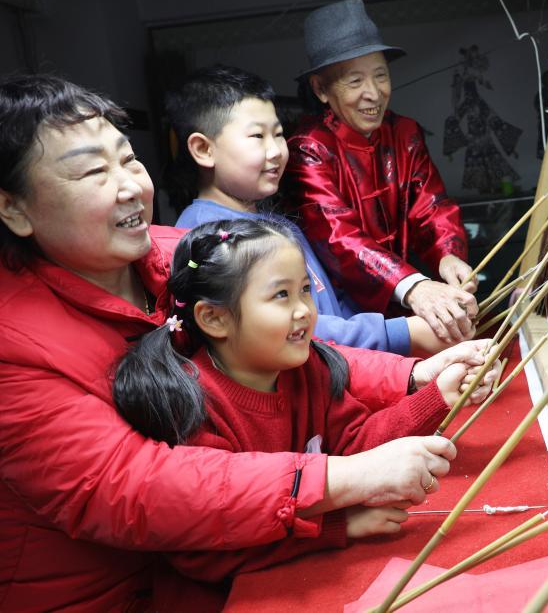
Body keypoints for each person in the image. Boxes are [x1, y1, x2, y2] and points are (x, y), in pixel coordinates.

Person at [0, 74, 458, 610]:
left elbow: (294, 344)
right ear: (14, 209)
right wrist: (341, 480)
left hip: (226, 558)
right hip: (107, 596)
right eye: (91, 172)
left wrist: (411, 376)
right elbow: (130, 486)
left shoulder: (177, 253)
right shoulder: (12, 344)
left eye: (127, 160)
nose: (128, 187)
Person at [113, 218, 482, 586]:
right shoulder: (192, 405)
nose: (305, 309)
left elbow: (354, 445)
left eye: (305, 290)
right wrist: (337, 526)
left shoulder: (308, 369)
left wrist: (437, 396)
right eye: (281, 295)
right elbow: (203, 554)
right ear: (214, 318)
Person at [169, 64, 453, 363]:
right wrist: (400, 332)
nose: (276, 151)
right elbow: (289, 330)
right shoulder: (206, 235)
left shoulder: (278, 223)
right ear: (204, 149)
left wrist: (413, 319)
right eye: (257, 136)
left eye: (278, 134)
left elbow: (332, 306)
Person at [286, 0, 479, 344]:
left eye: (381, 75)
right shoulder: (308, 147)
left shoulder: (404, 133)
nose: (373, 93)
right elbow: (338, 237)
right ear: (320, 89)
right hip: (343, 320)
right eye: (355, 81)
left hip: (405, 304)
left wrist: (448, 254)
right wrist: (415, 287)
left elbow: (431, 206)